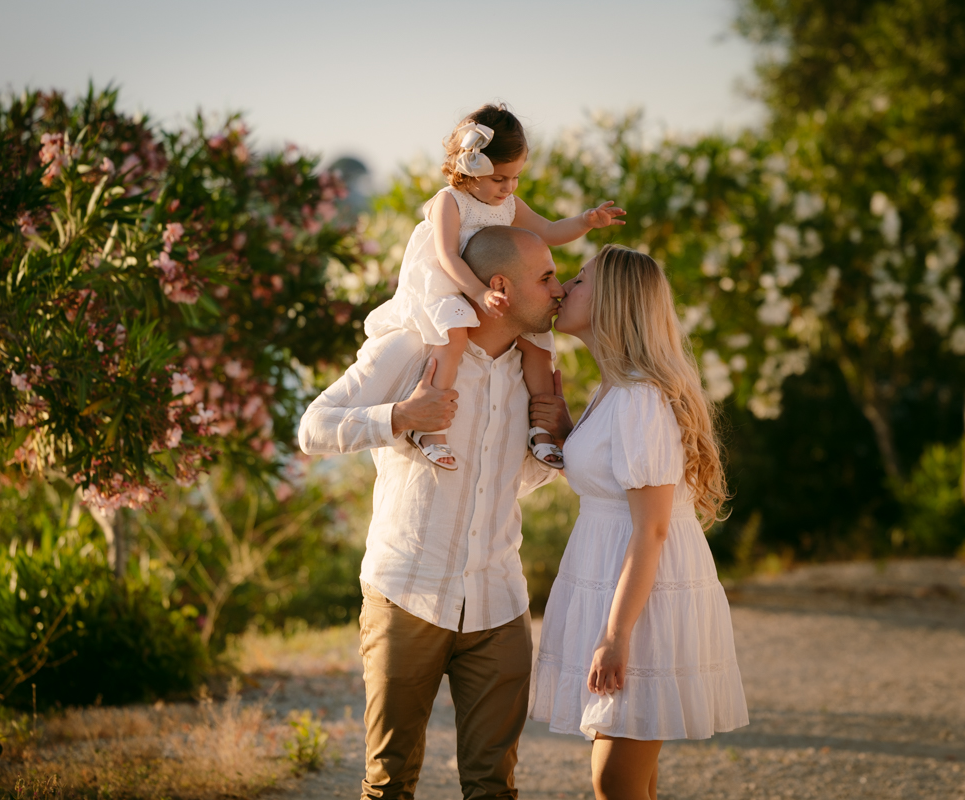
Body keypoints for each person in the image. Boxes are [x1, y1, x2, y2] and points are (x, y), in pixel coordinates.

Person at [299, 226, 573, 800]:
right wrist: (400, 416)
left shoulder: (533, 370)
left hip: (499, 603)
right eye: (546, 278)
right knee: (389, 785)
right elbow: (312, 428)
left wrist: (553, 438)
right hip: (407, 595)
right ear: (500, 287)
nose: (559, 290)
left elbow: (509, 485)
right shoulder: (411, 348)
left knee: (494, 788)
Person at [529, 244, 749, 800]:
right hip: (615, 582)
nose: (562, 290)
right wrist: (565, 435)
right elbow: (612, 483)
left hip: (642, 600)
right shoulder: (614, 390)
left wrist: (615, 634)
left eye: (578, 281)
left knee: (615, 781)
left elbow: (651, 528)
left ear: (611, 304)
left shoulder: (639, 400)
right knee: (630, 780)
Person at [364, 103, 625, 471]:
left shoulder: (509, 204)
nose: (509, 187)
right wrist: (478, 293)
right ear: (468, 169)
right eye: (500, 179)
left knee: (538, 345)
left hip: (492, 285)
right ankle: (432, 428)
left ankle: (541, 431)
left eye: (516, 177)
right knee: (453, 338)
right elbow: (447, 257)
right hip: (450, 284)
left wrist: (585, 221)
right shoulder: (449, 202)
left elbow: (549, 231)